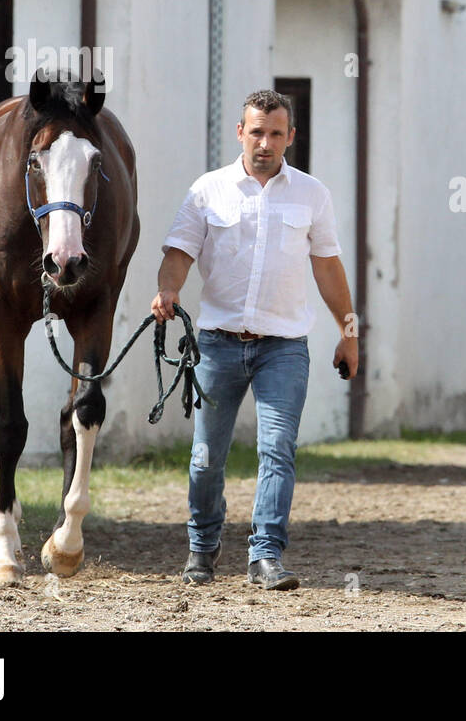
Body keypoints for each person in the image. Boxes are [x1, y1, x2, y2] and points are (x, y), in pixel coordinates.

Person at [152, 90, 360, 590]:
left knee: (278, 449)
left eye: (275, 133)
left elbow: (328, 267)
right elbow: (179, 251)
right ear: (239, 132)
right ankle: (202, 548)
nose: (264, 143)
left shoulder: (312, 194)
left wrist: (349, 332)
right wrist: (168, 288)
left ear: (290, 137)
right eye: (256, 131)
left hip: (283, 348)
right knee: (205, 457)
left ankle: (265, 554)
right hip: (217, 344)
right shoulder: (208, 190)